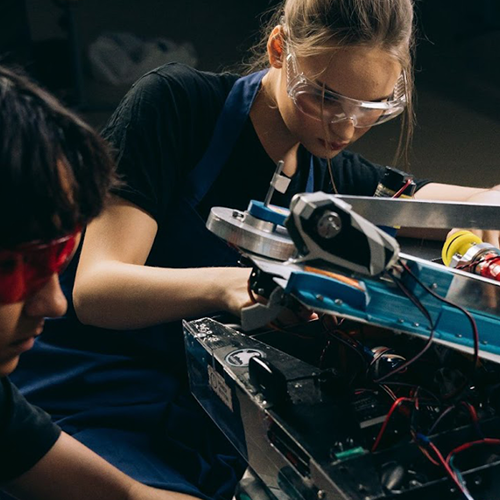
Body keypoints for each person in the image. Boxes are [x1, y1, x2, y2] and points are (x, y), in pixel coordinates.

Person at [11, 0, 500, 498]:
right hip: (91, 393)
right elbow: (96, 290)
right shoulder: (177, 104)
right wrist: (239, 285)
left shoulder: (322, 170)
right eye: (326, 98)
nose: (345, 128)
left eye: (370, 108)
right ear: (278, 50)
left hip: (199, 405)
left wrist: (490, 209)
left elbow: (436, 202)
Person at [0, 65, 201, 500]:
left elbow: (127, 495)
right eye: (16, 267)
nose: (55, 304)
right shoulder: (175, 101)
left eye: (59, 258)